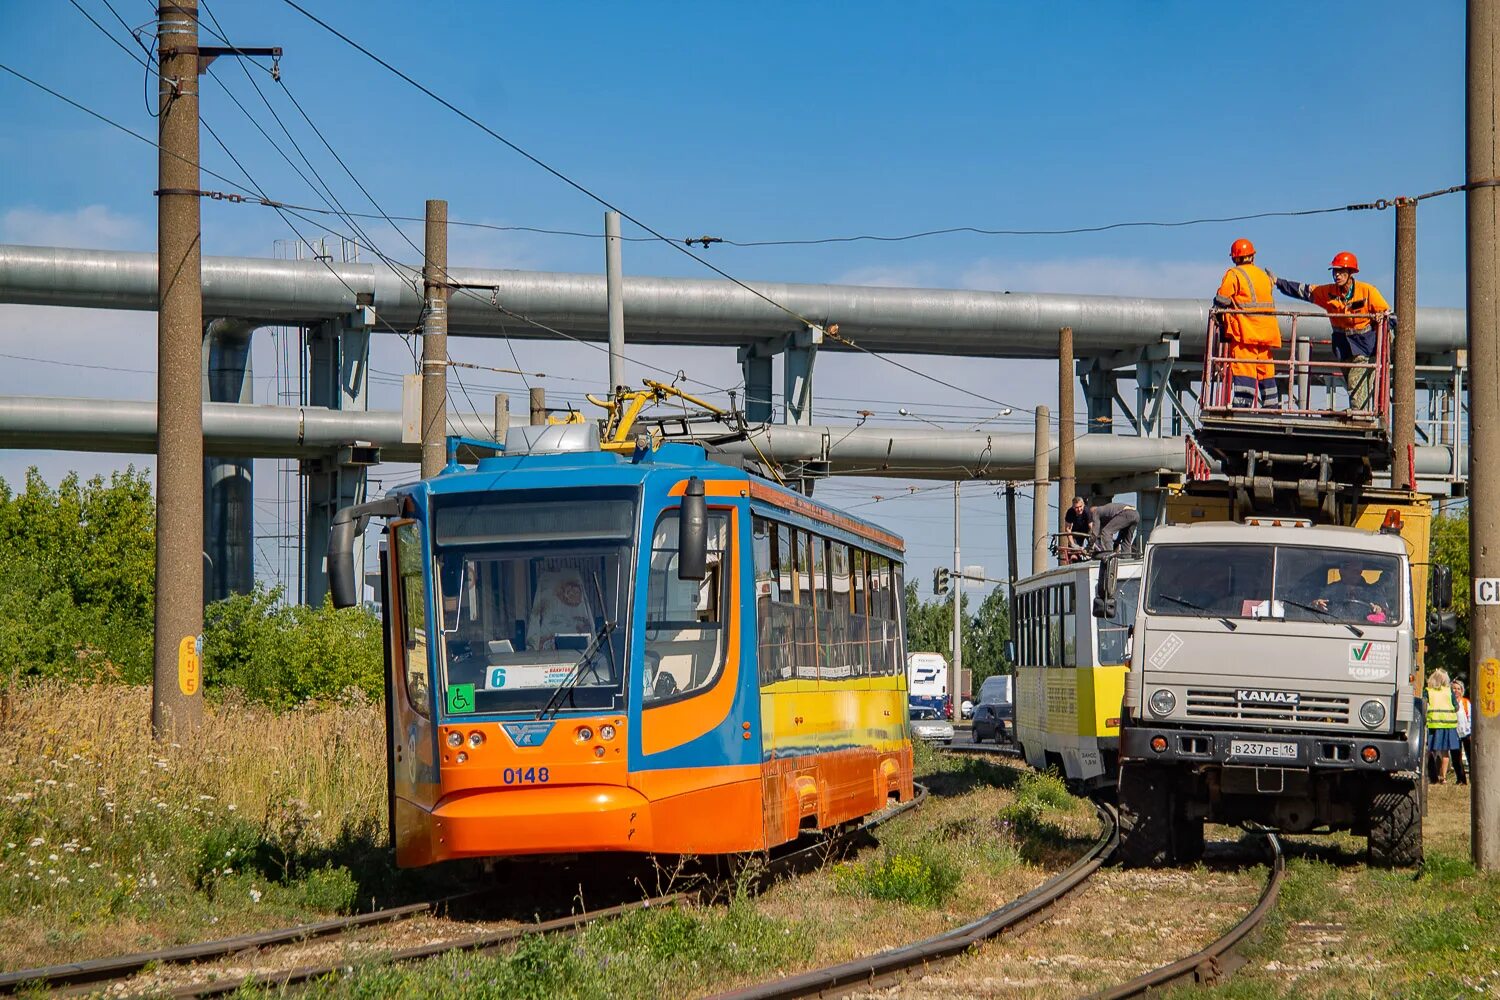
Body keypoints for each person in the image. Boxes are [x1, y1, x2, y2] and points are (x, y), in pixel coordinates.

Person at [1270, 252, 1392, 412]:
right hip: (1343, 346)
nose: (1337, 275)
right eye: (1335, 271)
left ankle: (1358, 415)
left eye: (1341, 271)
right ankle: (1359, 412)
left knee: (1357, 381)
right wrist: (1278, 282)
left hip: (1364, 346)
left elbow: (1389, 316)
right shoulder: (1328, 292)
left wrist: (1380, 321)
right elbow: (1304, 291)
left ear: (1350, 273)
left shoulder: (1367, 291)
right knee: (1352, 382)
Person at [1214, 238, 1283, 409]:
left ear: (1234, 258)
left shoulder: (1234, 274)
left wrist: (1218, 314)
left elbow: (1222, 299)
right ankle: (1272, 410)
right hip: (1266, 335)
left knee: (1245, 373)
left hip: (1246, 333)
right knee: (1266, 372)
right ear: (1252, 256)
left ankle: (1241, 410)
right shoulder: (1264, 276)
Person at [1312, 555, 1391, 622]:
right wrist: (1316, 604)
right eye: (1353, 571)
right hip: (1334, 626)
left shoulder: (1372, 591)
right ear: (1342, 571)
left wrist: (1379, 610)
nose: (1357, 574)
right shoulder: (1330, 589)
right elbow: (1313, 610)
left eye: (1358, 572)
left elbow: (1385, 613)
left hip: (1365, 629)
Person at [1426, 668, 1460, 784]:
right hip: (1448, 725)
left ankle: (1432, 776)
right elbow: (1456, 707)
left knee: (1431, 751)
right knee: (1445, 752)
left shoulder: (1428, 691)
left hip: (1434, 724)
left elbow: (1423, 706)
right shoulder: (1448, 691)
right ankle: (1443, 777)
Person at [1061, 496, 1093, 562]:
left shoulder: (1087, 511)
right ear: (1073, 507)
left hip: (1087, 531)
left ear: (1083, 505)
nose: (1079, 509)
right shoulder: (1070, 512)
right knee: (1073, 553)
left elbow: (1091, 527)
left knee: (1095, 546)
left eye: (1080, 507)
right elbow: (1067, 529)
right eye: (1076, 508)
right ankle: (1075, 560)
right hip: (1076, 532)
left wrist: (1091, 542)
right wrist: (1072, 544)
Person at [1453, 679, 1473, 786]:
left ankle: (1473, 779)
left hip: (1466, 733)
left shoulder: (1466, 702)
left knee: (1470, 757)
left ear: (1462, 690)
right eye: (1454, 688)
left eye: (1458, 689)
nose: (1456, 691)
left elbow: (1470, 717)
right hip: (1454, 733)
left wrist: (1470, 732)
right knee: (1456, 757)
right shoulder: (1450, 702)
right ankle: (1461, 779)